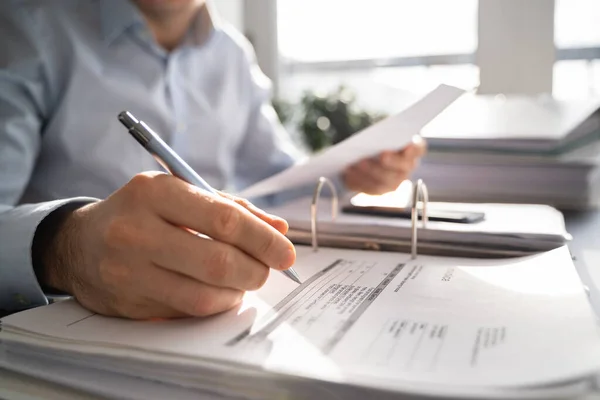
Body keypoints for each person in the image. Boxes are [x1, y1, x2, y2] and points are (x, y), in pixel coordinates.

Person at [0, 0, 426, 318]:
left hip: (223, 306)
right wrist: (64, 247)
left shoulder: (232, 53)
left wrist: (352, 174)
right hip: (71, 321)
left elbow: (276, 180)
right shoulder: (26, 29)